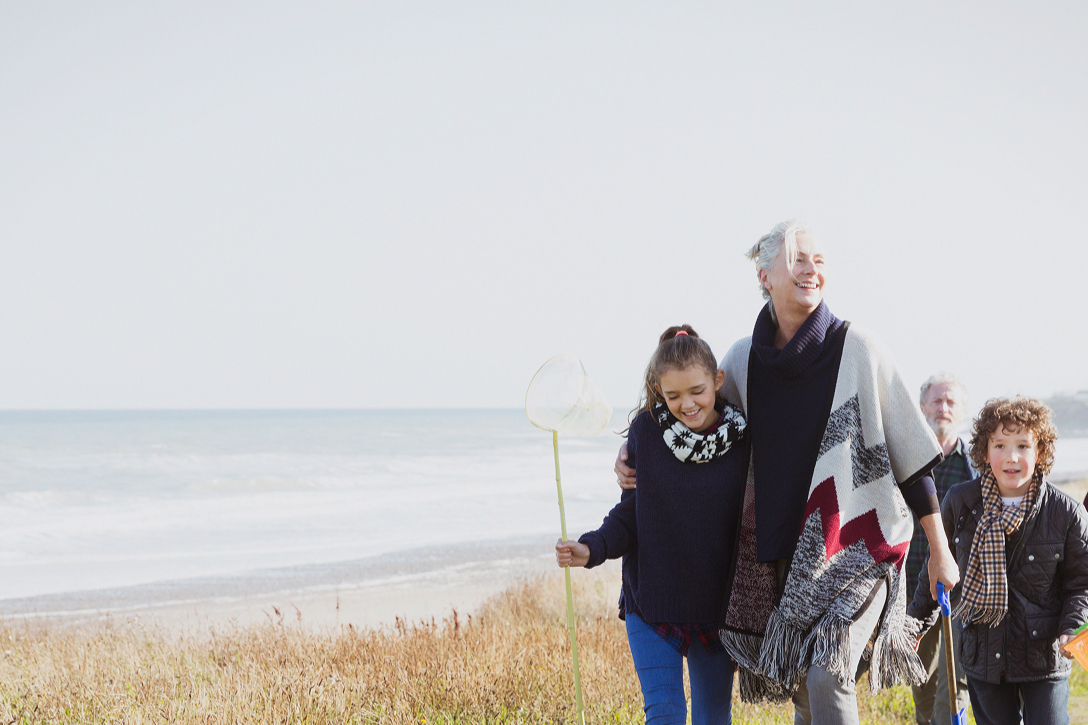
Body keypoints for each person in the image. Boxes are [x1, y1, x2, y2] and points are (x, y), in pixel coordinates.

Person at [616, 220, 959, 724]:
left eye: (820, 261)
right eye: (799, 259)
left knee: (828, 675)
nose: (811, 270)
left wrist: (941, 553)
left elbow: (911, 460)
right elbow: (696, 424)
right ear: (764, 275)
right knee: (804, 692)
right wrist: (631, 453)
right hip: (779, 560)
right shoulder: (741, 360)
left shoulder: (859, 348)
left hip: (859, 551)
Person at [556, 325, 748, 725]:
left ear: (717, 381)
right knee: (664, 713)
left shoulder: (743, 441)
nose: (687, 404)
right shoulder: (647, 431)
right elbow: (631, 513)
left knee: (713, 716)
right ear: (659, 390)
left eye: (697, 390)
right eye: (673, 395)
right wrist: (591, 548)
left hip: (715, 607)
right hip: (652, 600)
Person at [908, 397, 1088, 725]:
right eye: (1000, 444)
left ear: (1041, 452)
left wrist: (1071, 629)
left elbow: (1081, 584)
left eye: (1023, 445)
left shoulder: (1067, 512)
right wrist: (914, 623)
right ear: (984, 450)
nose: (1011, 457)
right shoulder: (960, 501)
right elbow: (936, 567)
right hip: (982, 655)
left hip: (1044, 658)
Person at [908, 375, 976, 725]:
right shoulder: (905, 460)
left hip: (960, 593)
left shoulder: (973, 467)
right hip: (912, 591)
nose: (943, 408)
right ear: (922, 407)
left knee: (954, 685)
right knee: (920, 682)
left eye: (951, 402)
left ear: (962, 410)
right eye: (936, 401)